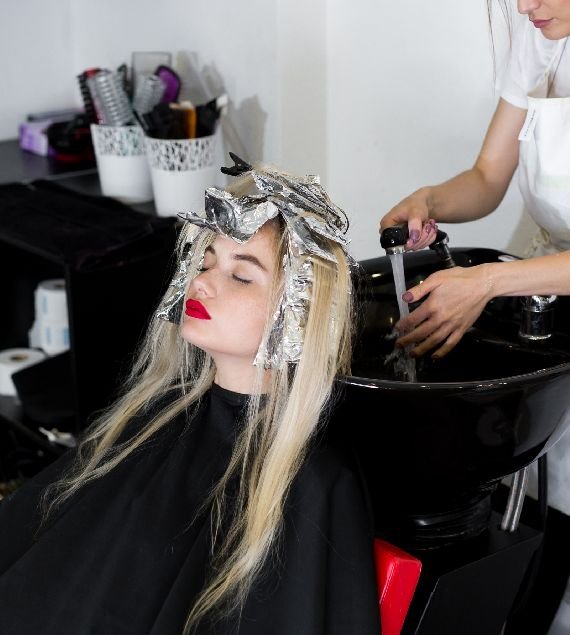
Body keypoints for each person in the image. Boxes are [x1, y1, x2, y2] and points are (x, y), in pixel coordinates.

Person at [0, 155, 381, 634]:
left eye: (241, 276)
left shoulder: (312, 483)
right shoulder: (157, 416)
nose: (200, 282)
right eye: (205, 262)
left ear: (300, 309)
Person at [379, 1, 570, 633]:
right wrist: (431, 199)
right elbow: (489, 175)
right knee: (543, 495)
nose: (525, 6)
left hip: (532, 281)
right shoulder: (539, 38)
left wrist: (487, 282)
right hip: (546, 296)